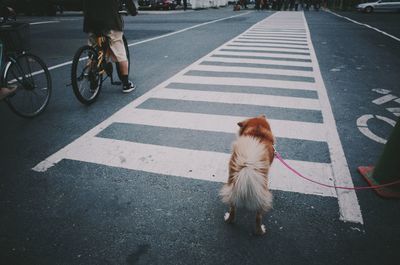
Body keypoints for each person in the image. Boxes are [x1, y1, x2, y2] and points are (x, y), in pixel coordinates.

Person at [83, 0, 138, 93]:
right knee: (119, 51)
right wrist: (133, 11)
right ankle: (126, 84)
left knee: (93, 51)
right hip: (110, 22)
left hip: (91, 23)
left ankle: (93, 82)